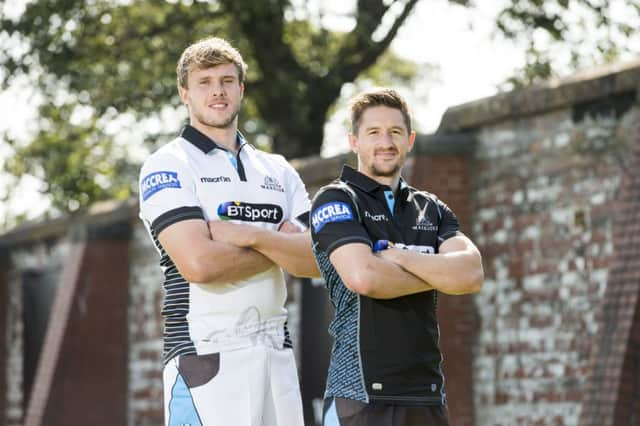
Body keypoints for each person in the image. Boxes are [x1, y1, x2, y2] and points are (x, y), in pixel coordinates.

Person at [138, 36, 318, 426]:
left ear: (241, 88)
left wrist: (250, 236)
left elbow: (318, 261)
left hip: (277, 354)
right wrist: (280, 243)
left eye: (226, 80)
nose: (217, 90)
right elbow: (200, 264)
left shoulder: (278, 170)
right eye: (204, 81)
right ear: (184, 92)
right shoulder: (167, 164)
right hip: (204, 356)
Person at [310, 88, 484, 426]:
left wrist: (399, 257)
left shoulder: (431, 208)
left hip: (427, 393)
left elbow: (471, 275)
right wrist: (439, 273)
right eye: (373, 132)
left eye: (395, 132)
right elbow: (365, 278)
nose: (385, 142)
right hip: (360, 397)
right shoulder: (337, 199)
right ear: (354, 141)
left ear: (410, 140)